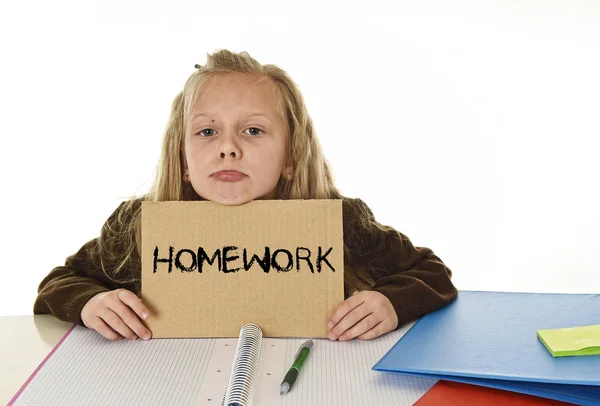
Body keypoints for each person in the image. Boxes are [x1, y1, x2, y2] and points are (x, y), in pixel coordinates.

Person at [34, 49, 458, 343]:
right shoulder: (137, 227)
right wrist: (92, 302)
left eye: (253, 130)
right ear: (183, 159)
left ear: (289, 157)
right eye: (207, 131)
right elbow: (56, 285)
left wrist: (390, 302)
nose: (228, 147)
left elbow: (432, 272)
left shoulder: (340, 224)